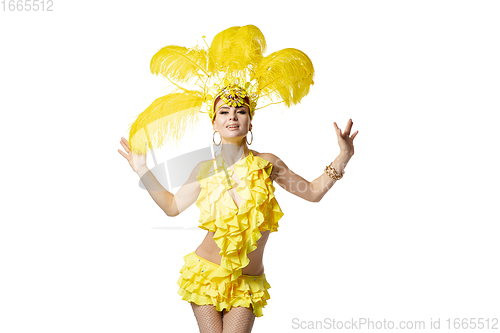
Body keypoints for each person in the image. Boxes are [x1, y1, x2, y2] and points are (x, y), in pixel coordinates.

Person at [118, 25, 358, 333]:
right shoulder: (204, 170)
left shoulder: (267, 164)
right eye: (225, 112)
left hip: (248, 281)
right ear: (215, 124)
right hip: (205, 273)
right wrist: (142, 169)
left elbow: (311, 192)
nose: (232, 116)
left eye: (240, 111)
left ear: (250, 120)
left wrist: (343, 157)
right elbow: (172, 207)